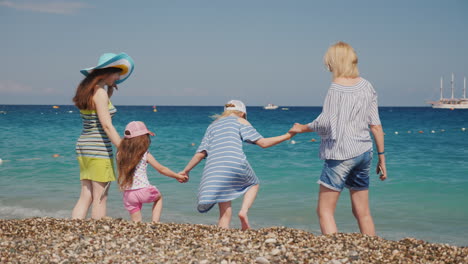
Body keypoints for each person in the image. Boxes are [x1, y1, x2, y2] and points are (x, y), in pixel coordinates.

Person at [290, 41, 387, 236]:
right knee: (362, 212)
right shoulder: (367, 86)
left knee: (324, 211)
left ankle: (333, 250)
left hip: (341, 153)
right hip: (364, 153)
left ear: (334, 62)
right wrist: (382, 158)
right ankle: (372, 251)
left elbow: (325, 122)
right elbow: (375, 125)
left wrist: (302, 128)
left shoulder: (336, 87)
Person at [180, 100, 296, 230]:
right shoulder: (240, 121)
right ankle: (243, 211)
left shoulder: (213, 125)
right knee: (253, 184)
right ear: (242, 113)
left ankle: (223, 234)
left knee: (224, 210)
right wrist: (288, 135)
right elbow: (263, 143)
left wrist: (186, 170)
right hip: (233, 161)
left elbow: (201, 153)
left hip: (213, 169)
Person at [71, 52, 134, 219]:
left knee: (86, 194)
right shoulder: (100, 93)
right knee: (100, 196)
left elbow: (96, 114)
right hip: (98, 148)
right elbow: (106, 125)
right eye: (117, 73)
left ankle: (74, 228)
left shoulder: (88, 91)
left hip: (84, 145)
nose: (118, 77)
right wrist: (123, 147)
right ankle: (96, 232)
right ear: (107, 72)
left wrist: (109, 89)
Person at [117, 121, 188, 222]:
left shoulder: (120, 154)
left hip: (128, 194)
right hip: (144, 190)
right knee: (158, 198)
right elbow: (161, 169)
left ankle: (137, 229)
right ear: (143, 139)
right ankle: (155, 223)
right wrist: (177, 176)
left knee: (136, 221)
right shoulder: (144, 155)